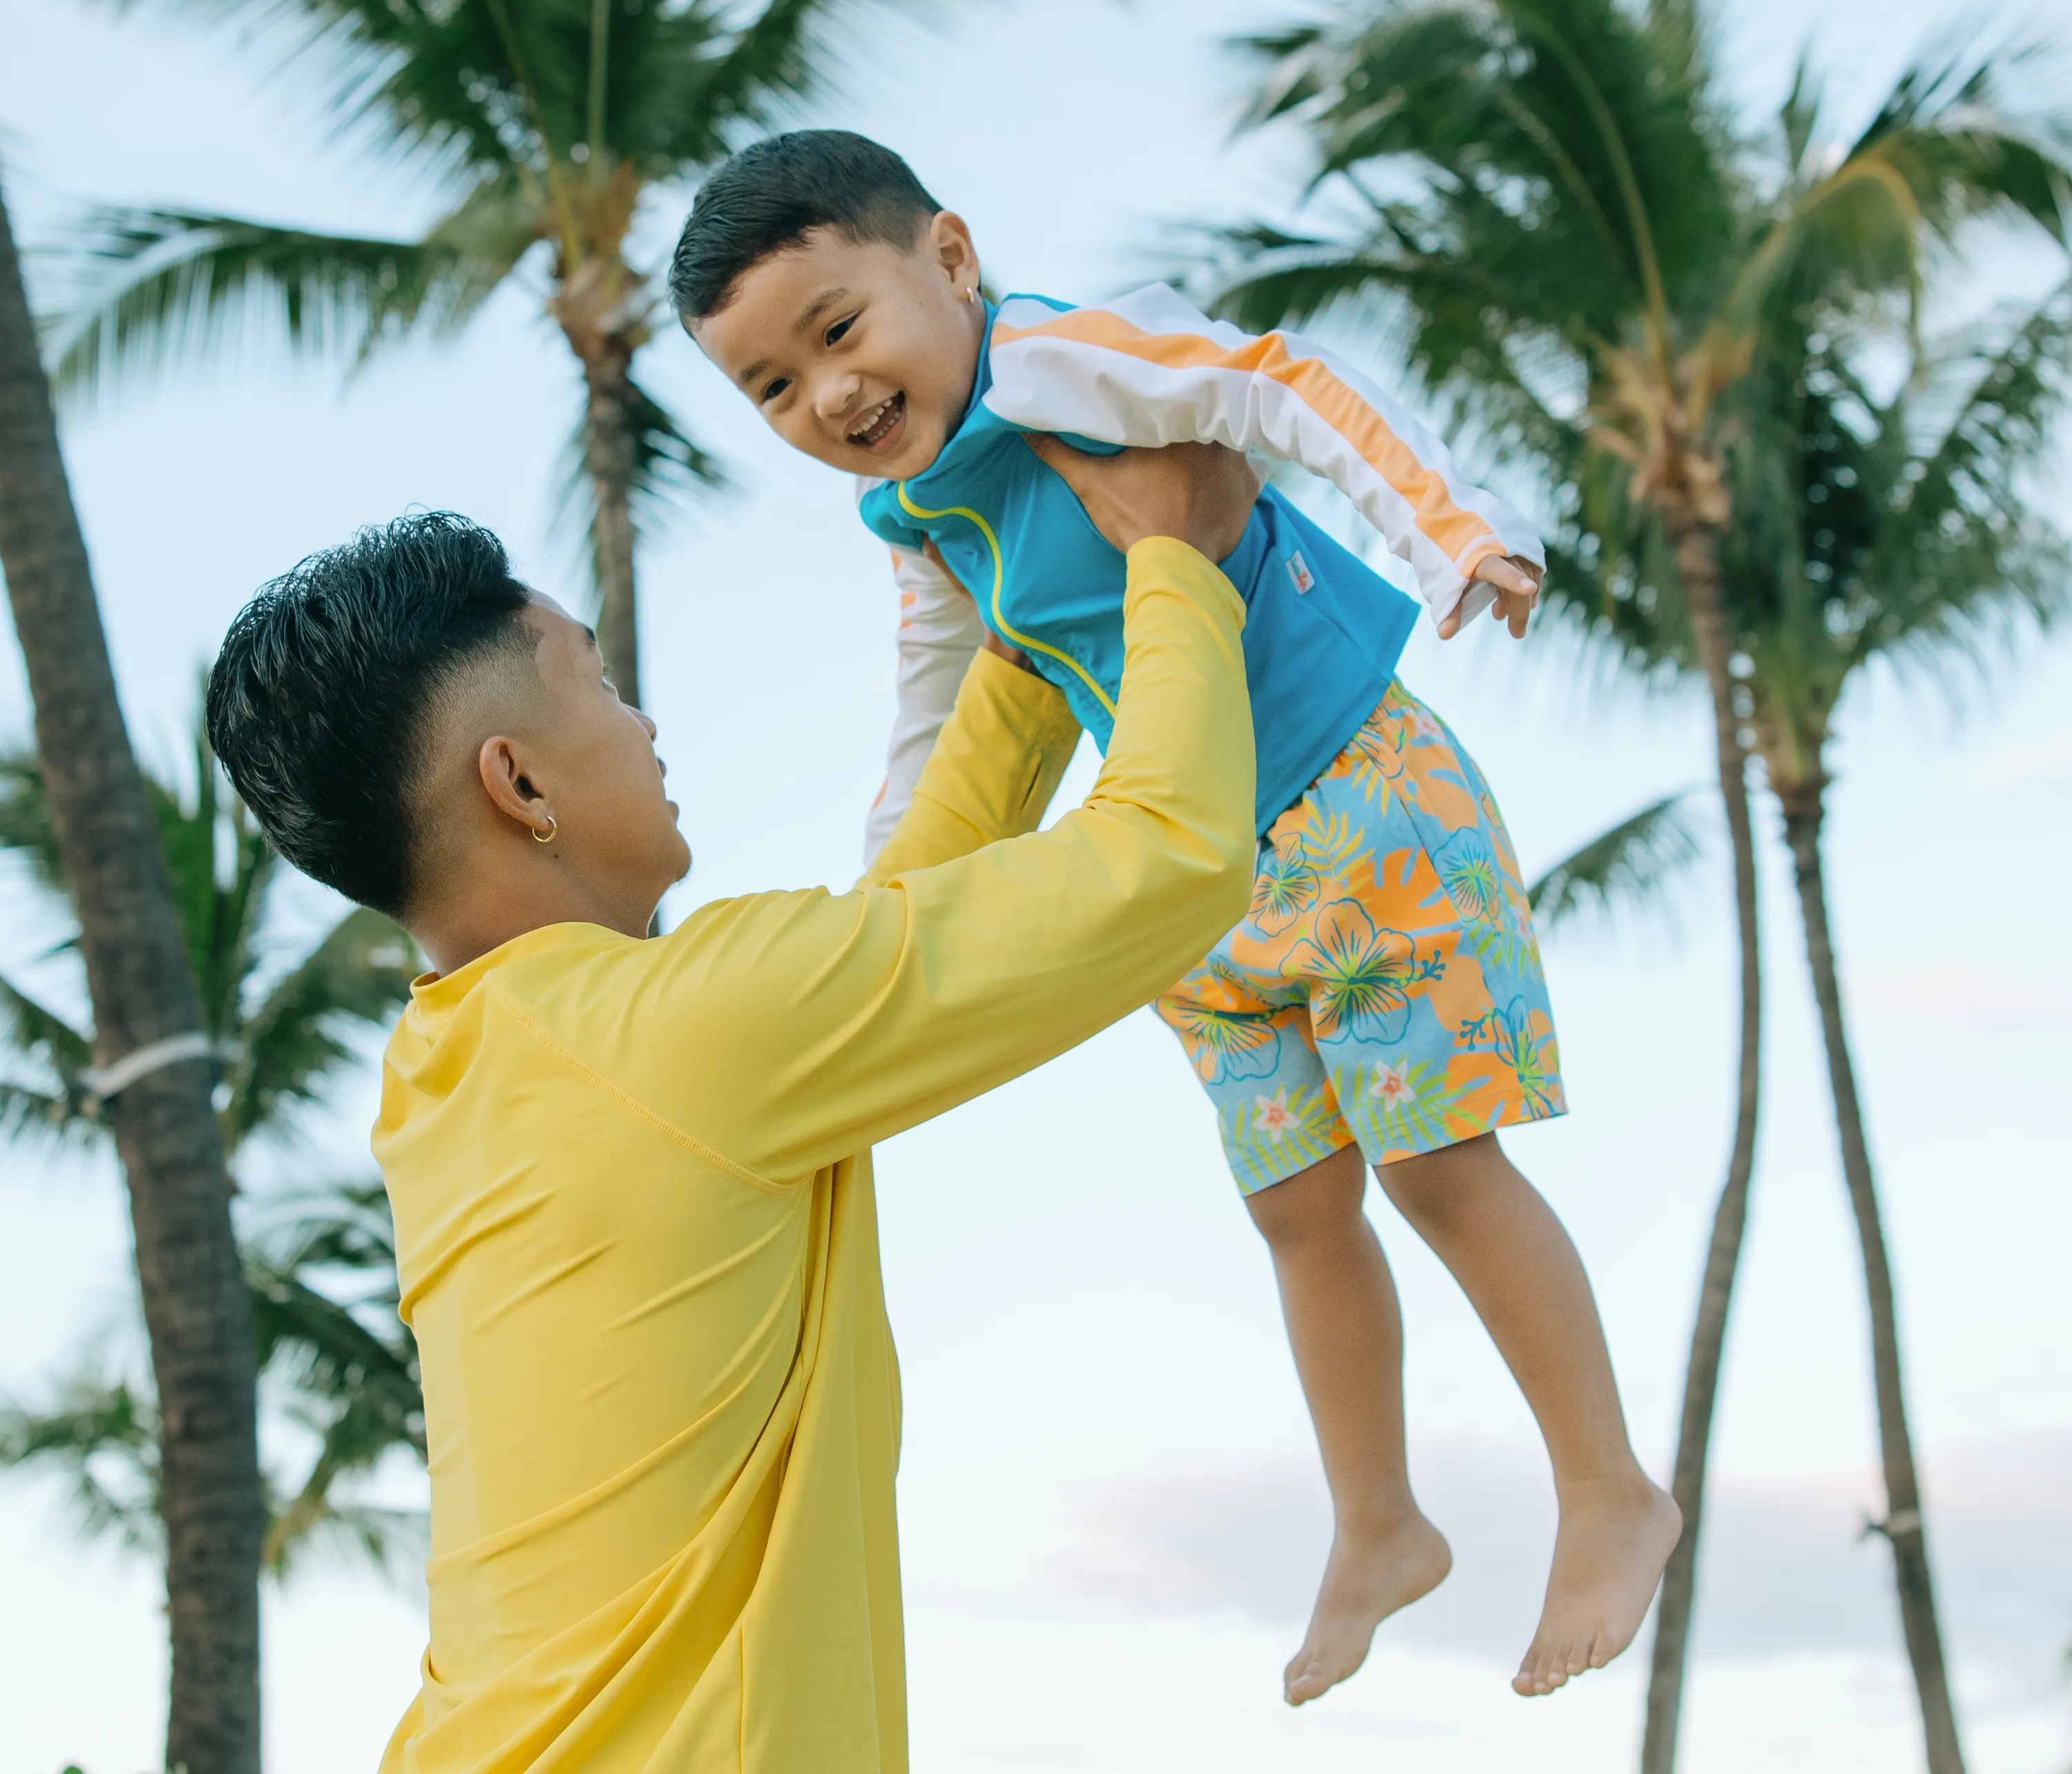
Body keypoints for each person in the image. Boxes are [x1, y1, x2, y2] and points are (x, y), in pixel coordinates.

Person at [672, 129, 1683, 1707]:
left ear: (950, 258)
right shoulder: (919, 515)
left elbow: (1272, 385)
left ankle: (1610, 1488)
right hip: (1204, 878)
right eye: (772, 389)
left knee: (1435, 1168)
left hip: (1362, 800)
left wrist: (1453, 529)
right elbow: (935, 716)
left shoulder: (1065, 357)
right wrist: (886, 905)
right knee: (1295, 1207)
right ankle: (1378, 1523)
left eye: (838, 330)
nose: (829, 398)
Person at [202, 465, 1260, 1774]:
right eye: (596, 682)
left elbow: (886, 946)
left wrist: (1026, 654)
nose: (644, 727)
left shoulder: (462, 1063)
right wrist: (1174, 562)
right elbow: (1173, 857)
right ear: (517, 782)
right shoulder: (676, 1038)